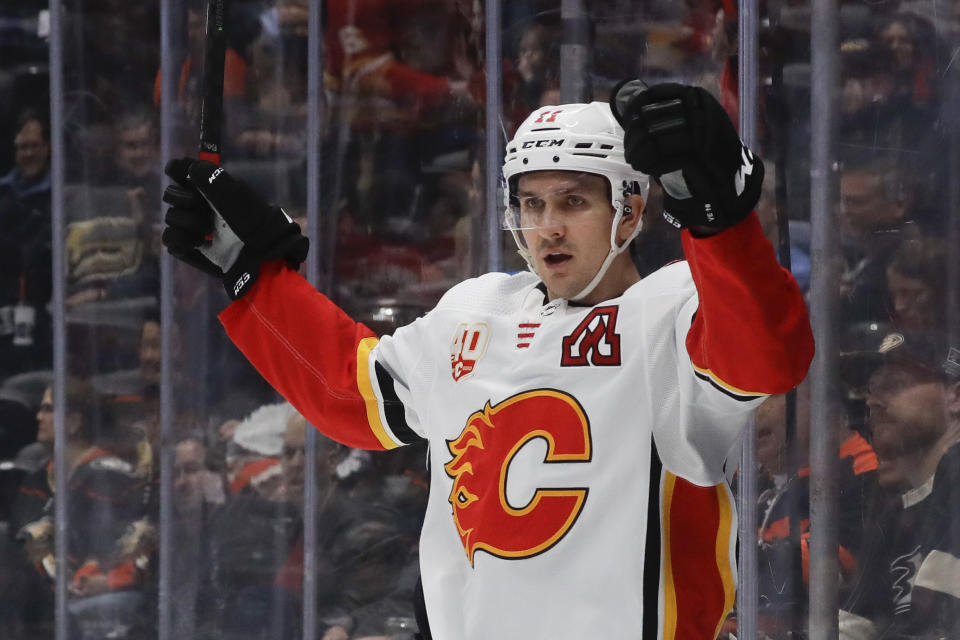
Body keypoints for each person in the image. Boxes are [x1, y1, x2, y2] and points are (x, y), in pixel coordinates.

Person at [160, 81, 814, 638]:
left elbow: (767, 356)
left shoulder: (678, 310)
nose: (548, 226)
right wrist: (253, 274)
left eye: (573, 201)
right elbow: (351, 395)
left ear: (632, 208)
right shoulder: (475, 311)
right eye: (532, 203)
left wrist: (721, 221)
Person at [839, 332, 960, 638]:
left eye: (894, 384)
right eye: (870, 389)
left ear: (955, 396)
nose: (872, 401)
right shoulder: (893, 512)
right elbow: (852, 625)